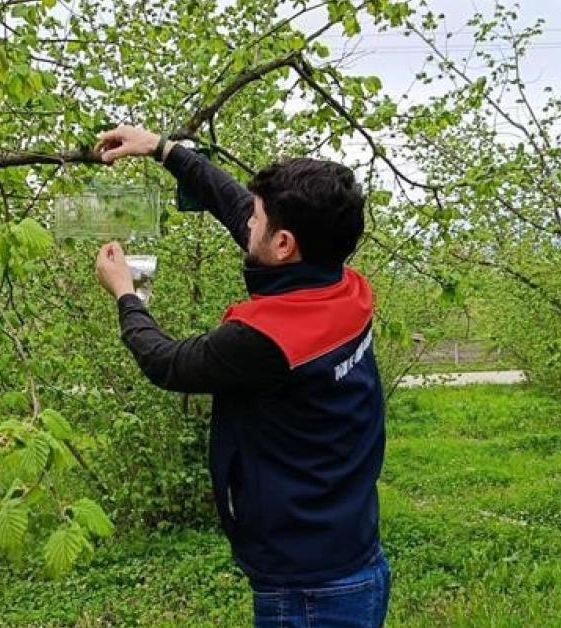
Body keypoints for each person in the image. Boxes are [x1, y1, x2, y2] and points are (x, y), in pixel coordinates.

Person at [93, 125, 389, 627]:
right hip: (349, 554)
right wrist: (162, 149)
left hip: (308, 591)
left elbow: (167, 362)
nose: (246, 219)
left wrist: (126, 293)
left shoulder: (269, 341)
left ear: (284, 243)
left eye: (257, 217)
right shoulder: (344, 287)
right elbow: (236, 208)